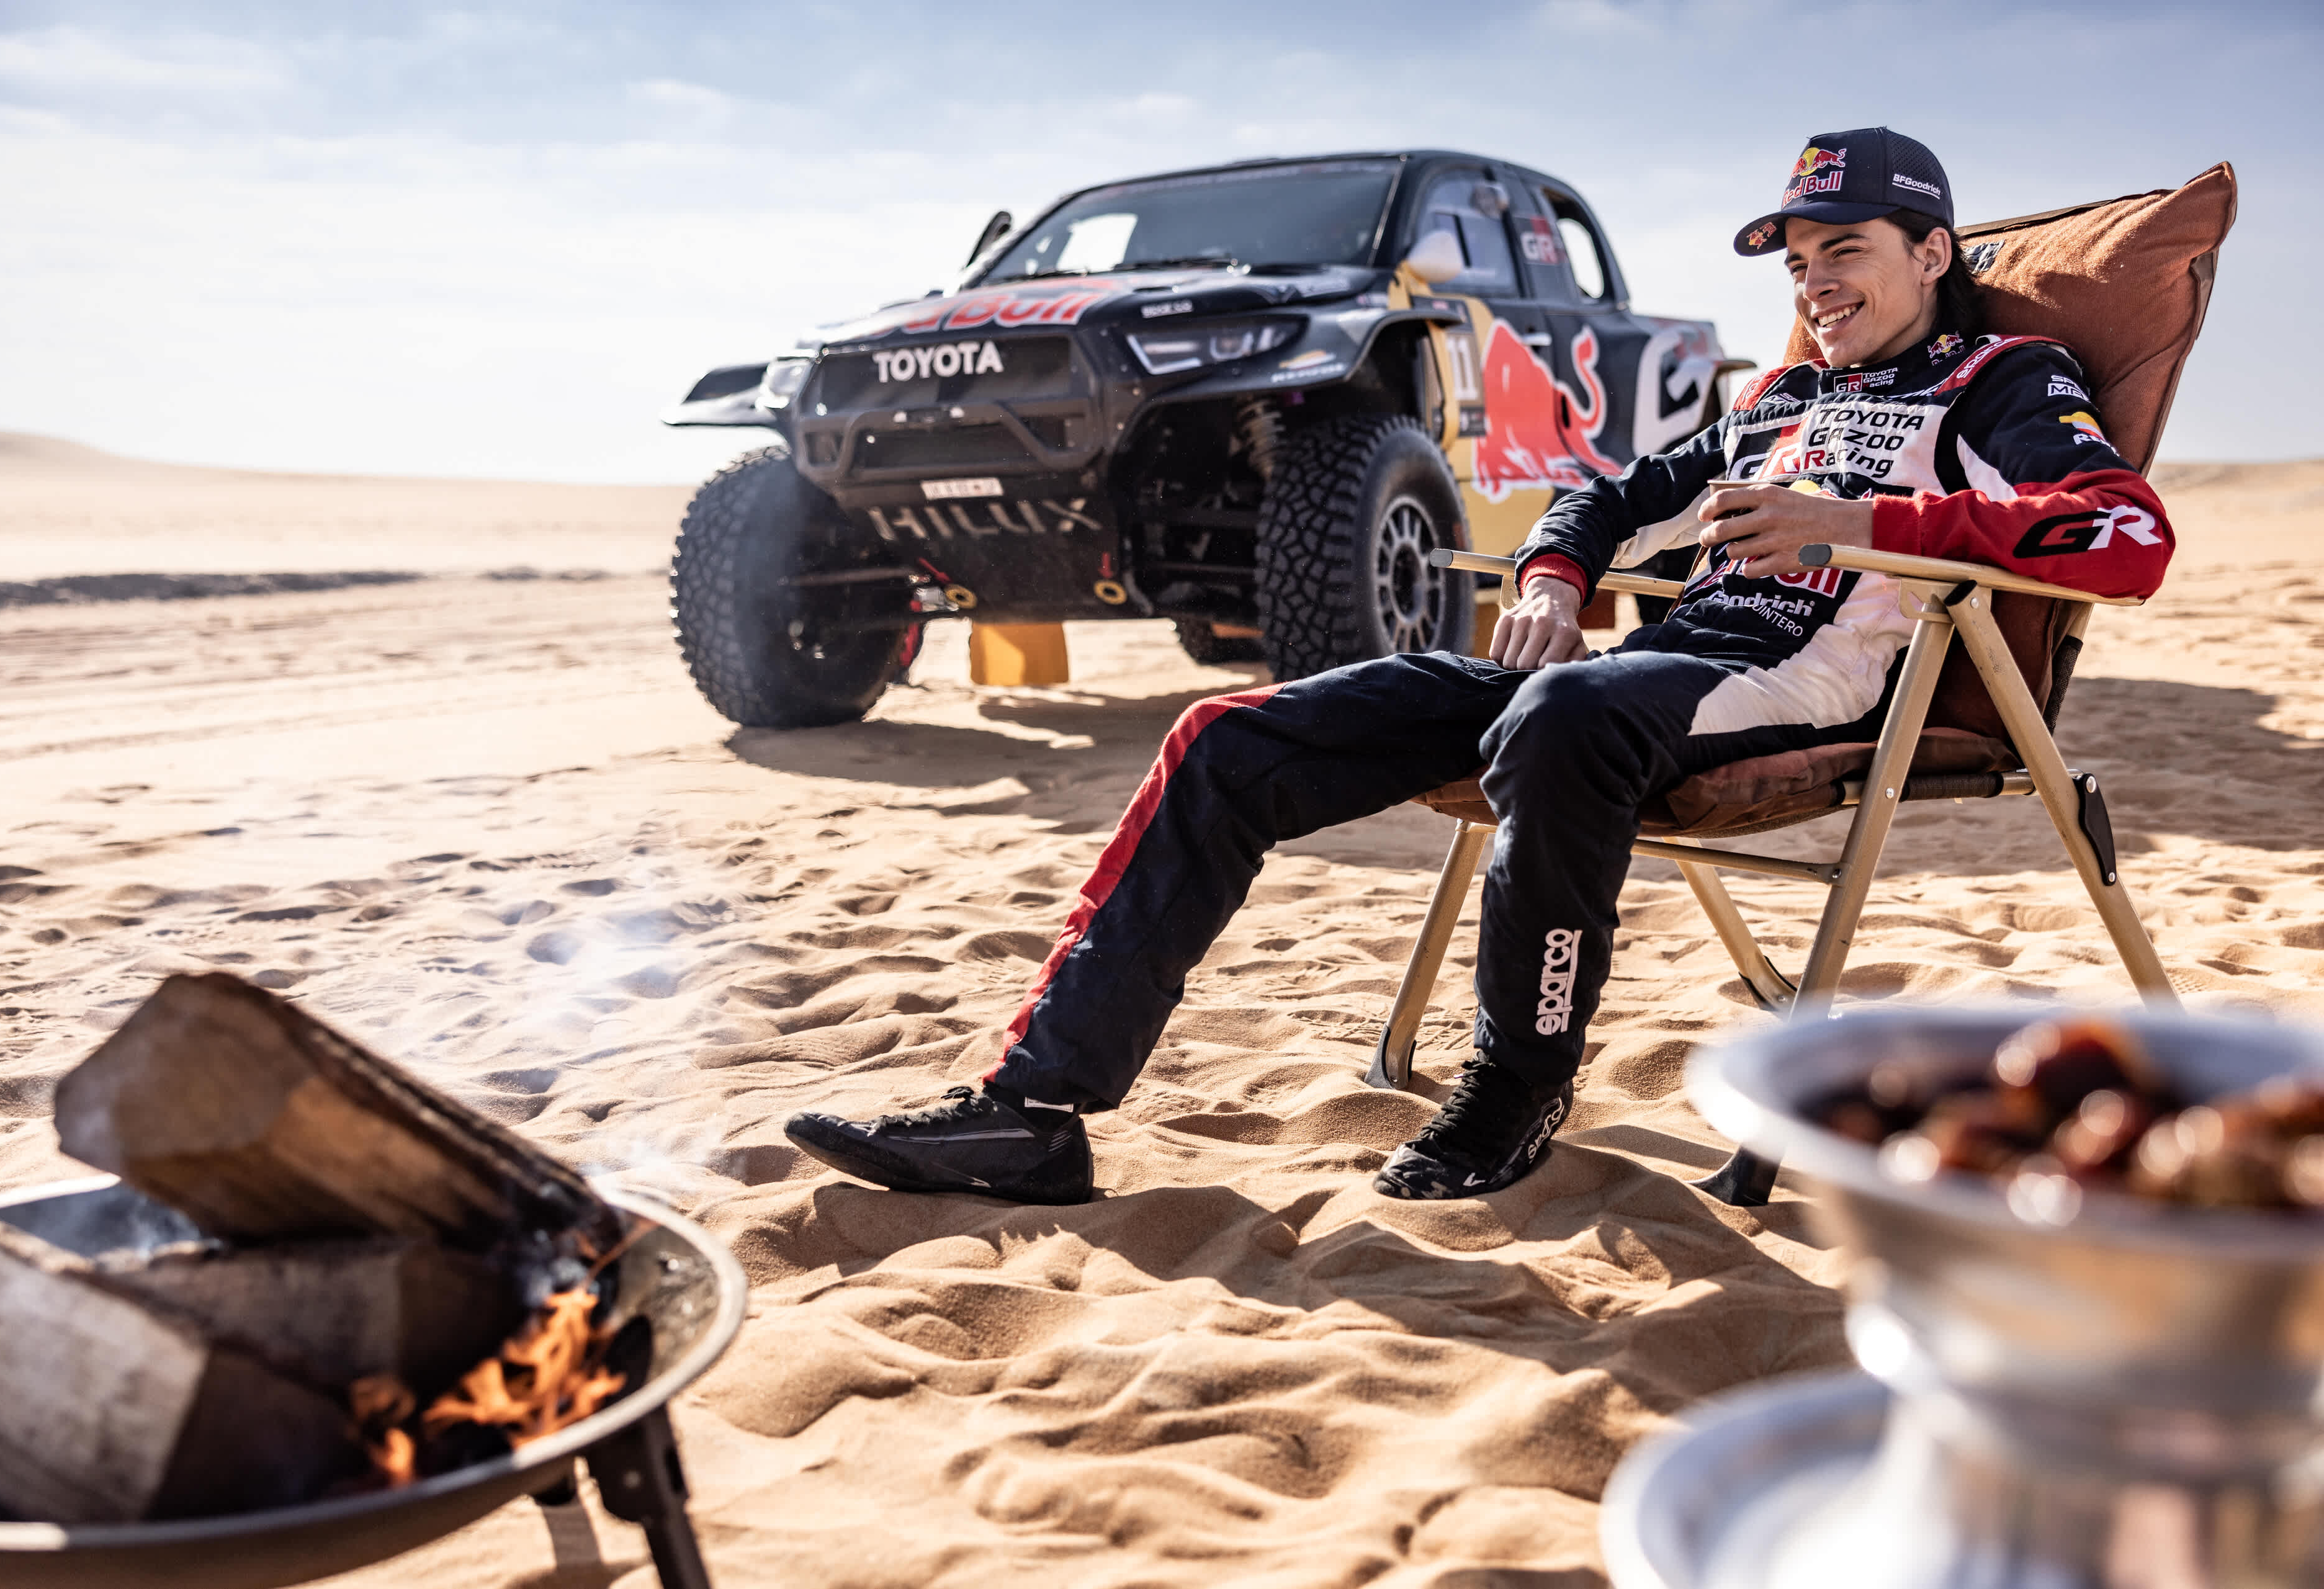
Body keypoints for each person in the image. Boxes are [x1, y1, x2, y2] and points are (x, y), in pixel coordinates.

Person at [784, 127, 2174, 1205]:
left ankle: (1515, 1085)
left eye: (1844, 251)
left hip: (1812, 682)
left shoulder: (2001, 381)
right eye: (1796, 263)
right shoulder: (1788, 396)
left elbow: (2127, 536)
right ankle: (1035, 1110)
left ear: (1931, 252)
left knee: (1563, 713)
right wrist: (1558, 575)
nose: (1814, 285)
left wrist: (1865, 525)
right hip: (1641, 680)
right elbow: (1607, 493)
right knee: (1228, 739)